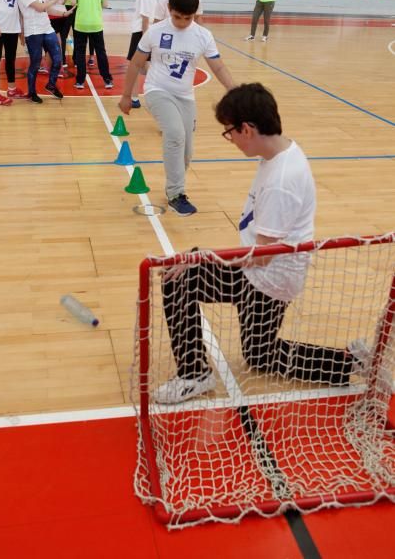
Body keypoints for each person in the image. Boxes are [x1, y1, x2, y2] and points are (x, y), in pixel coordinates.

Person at [154, 83, 372, 404]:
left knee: (259, 354)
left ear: (247, 128)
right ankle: (195, 372)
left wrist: (200, 257)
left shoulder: (282, 181)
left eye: (229, 132)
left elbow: (261, 257)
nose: (230, 140)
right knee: (186, 282)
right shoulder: (278, 156)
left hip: (267, 280)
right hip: (260, 272)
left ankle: (351, 361)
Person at [119, 0, 234, 216]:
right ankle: (176, 194)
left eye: (187, 18)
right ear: (169, 10)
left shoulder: (203, 36)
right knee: (174, 133)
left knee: (187, 151)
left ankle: (176, 185)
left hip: (185, 96)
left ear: (195, 14)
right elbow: (135, 62)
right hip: (157, 91)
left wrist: (234, 89)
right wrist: (125, 95)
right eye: (177, 16)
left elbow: (218, 66)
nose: (181, 22)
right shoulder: (155, 31)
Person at [14, 0, 65, 104]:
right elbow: (39, 7)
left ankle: (51, 85)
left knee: (57, 59)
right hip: (34, 31)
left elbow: (45, 9)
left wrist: (63, 13)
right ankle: (32, 92)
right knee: (35, 64)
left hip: (47, 28)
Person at [70, 0, 113, 90]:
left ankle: (80, 81)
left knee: (80, 52)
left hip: (80, 24)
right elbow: (106, 4)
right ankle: (107, 80)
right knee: (101, 52)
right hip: (96, 24)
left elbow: (72, 2)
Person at [126, 0, 157, 109]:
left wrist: (145, 40)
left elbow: (145, 20)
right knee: (145, 66)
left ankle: (134, 98)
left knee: (134, 66)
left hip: (141, 34)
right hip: (143, 34)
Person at [40, 0, 75, 71]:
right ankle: (58, 67)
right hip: (63, 15)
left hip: (50, 15)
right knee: (59, 42)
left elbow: (41, 2)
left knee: (48, 43)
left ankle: (47, 66)